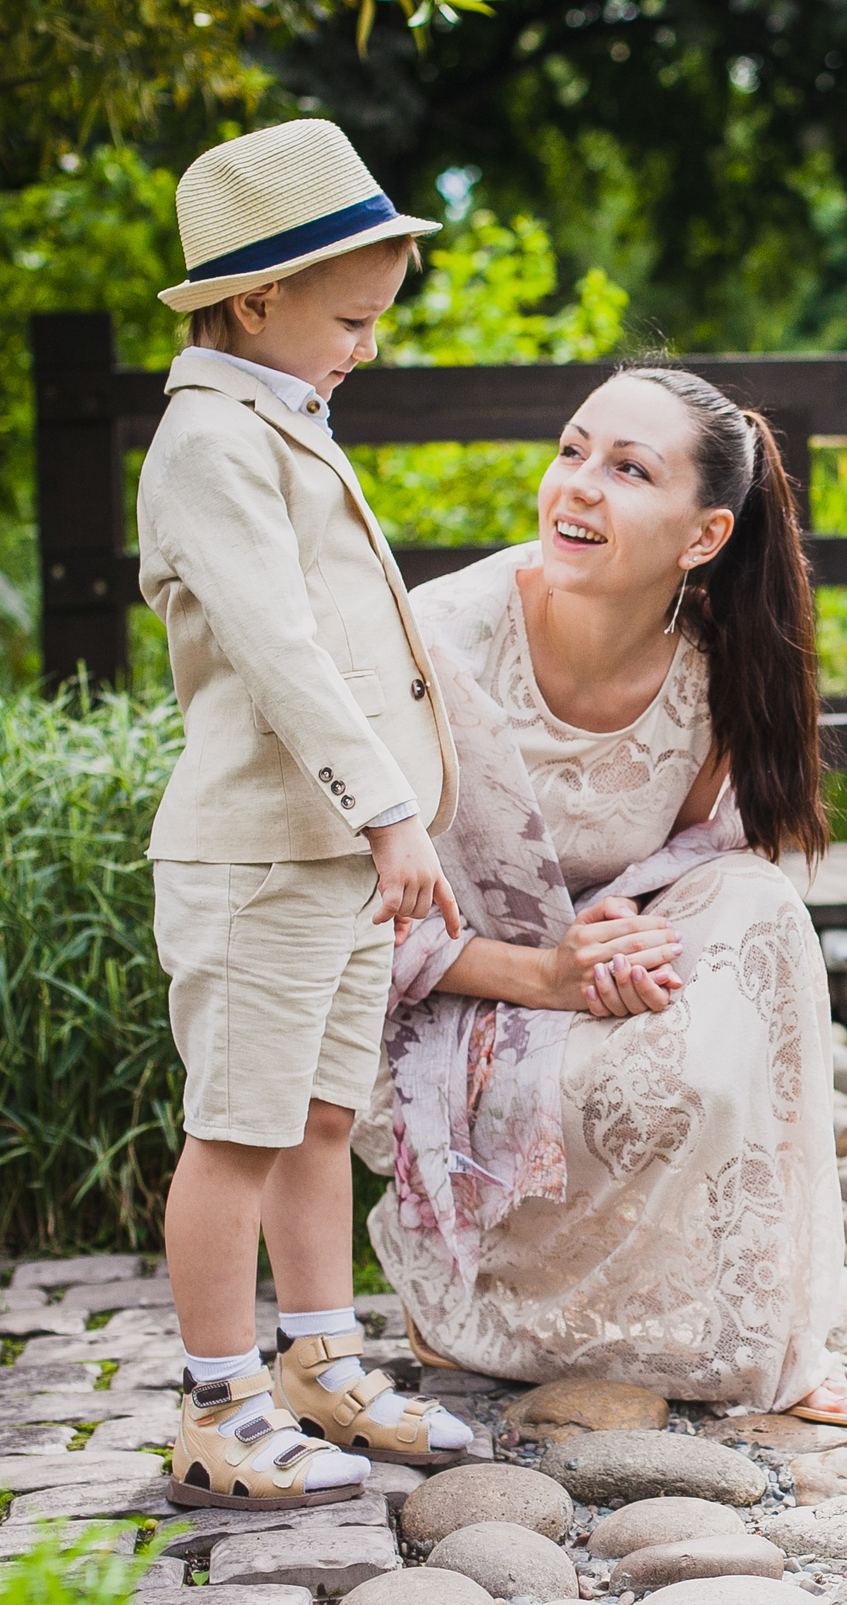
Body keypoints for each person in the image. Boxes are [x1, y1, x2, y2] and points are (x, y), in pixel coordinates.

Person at [352, 366, 847, 1427]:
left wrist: (622, 948)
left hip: (587, 980)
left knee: (760, 910)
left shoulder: (719, 671)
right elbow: (350, 912)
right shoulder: (437, 642)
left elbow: (690, 870)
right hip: (433, 1006)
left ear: (704, 536)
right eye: (572, 451)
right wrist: (543, 973)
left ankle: (759, 1334)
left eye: (629, 470)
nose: (578, 486)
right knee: (650, 1011)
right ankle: (472, 1310)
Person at [142, 119, 481, 1509]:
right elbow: (284, 652)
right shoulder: (209, 442)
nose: (365, 346)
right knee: (239, 1124)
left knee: (322, 1118)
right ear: (254, 300)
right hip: (258, 856)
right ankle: (217, 1398)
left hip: (333, 855)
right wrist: (391, 812)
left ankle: (319, 1358)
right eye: (349, 320)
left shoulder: (280, 419)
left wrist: (395, 825)